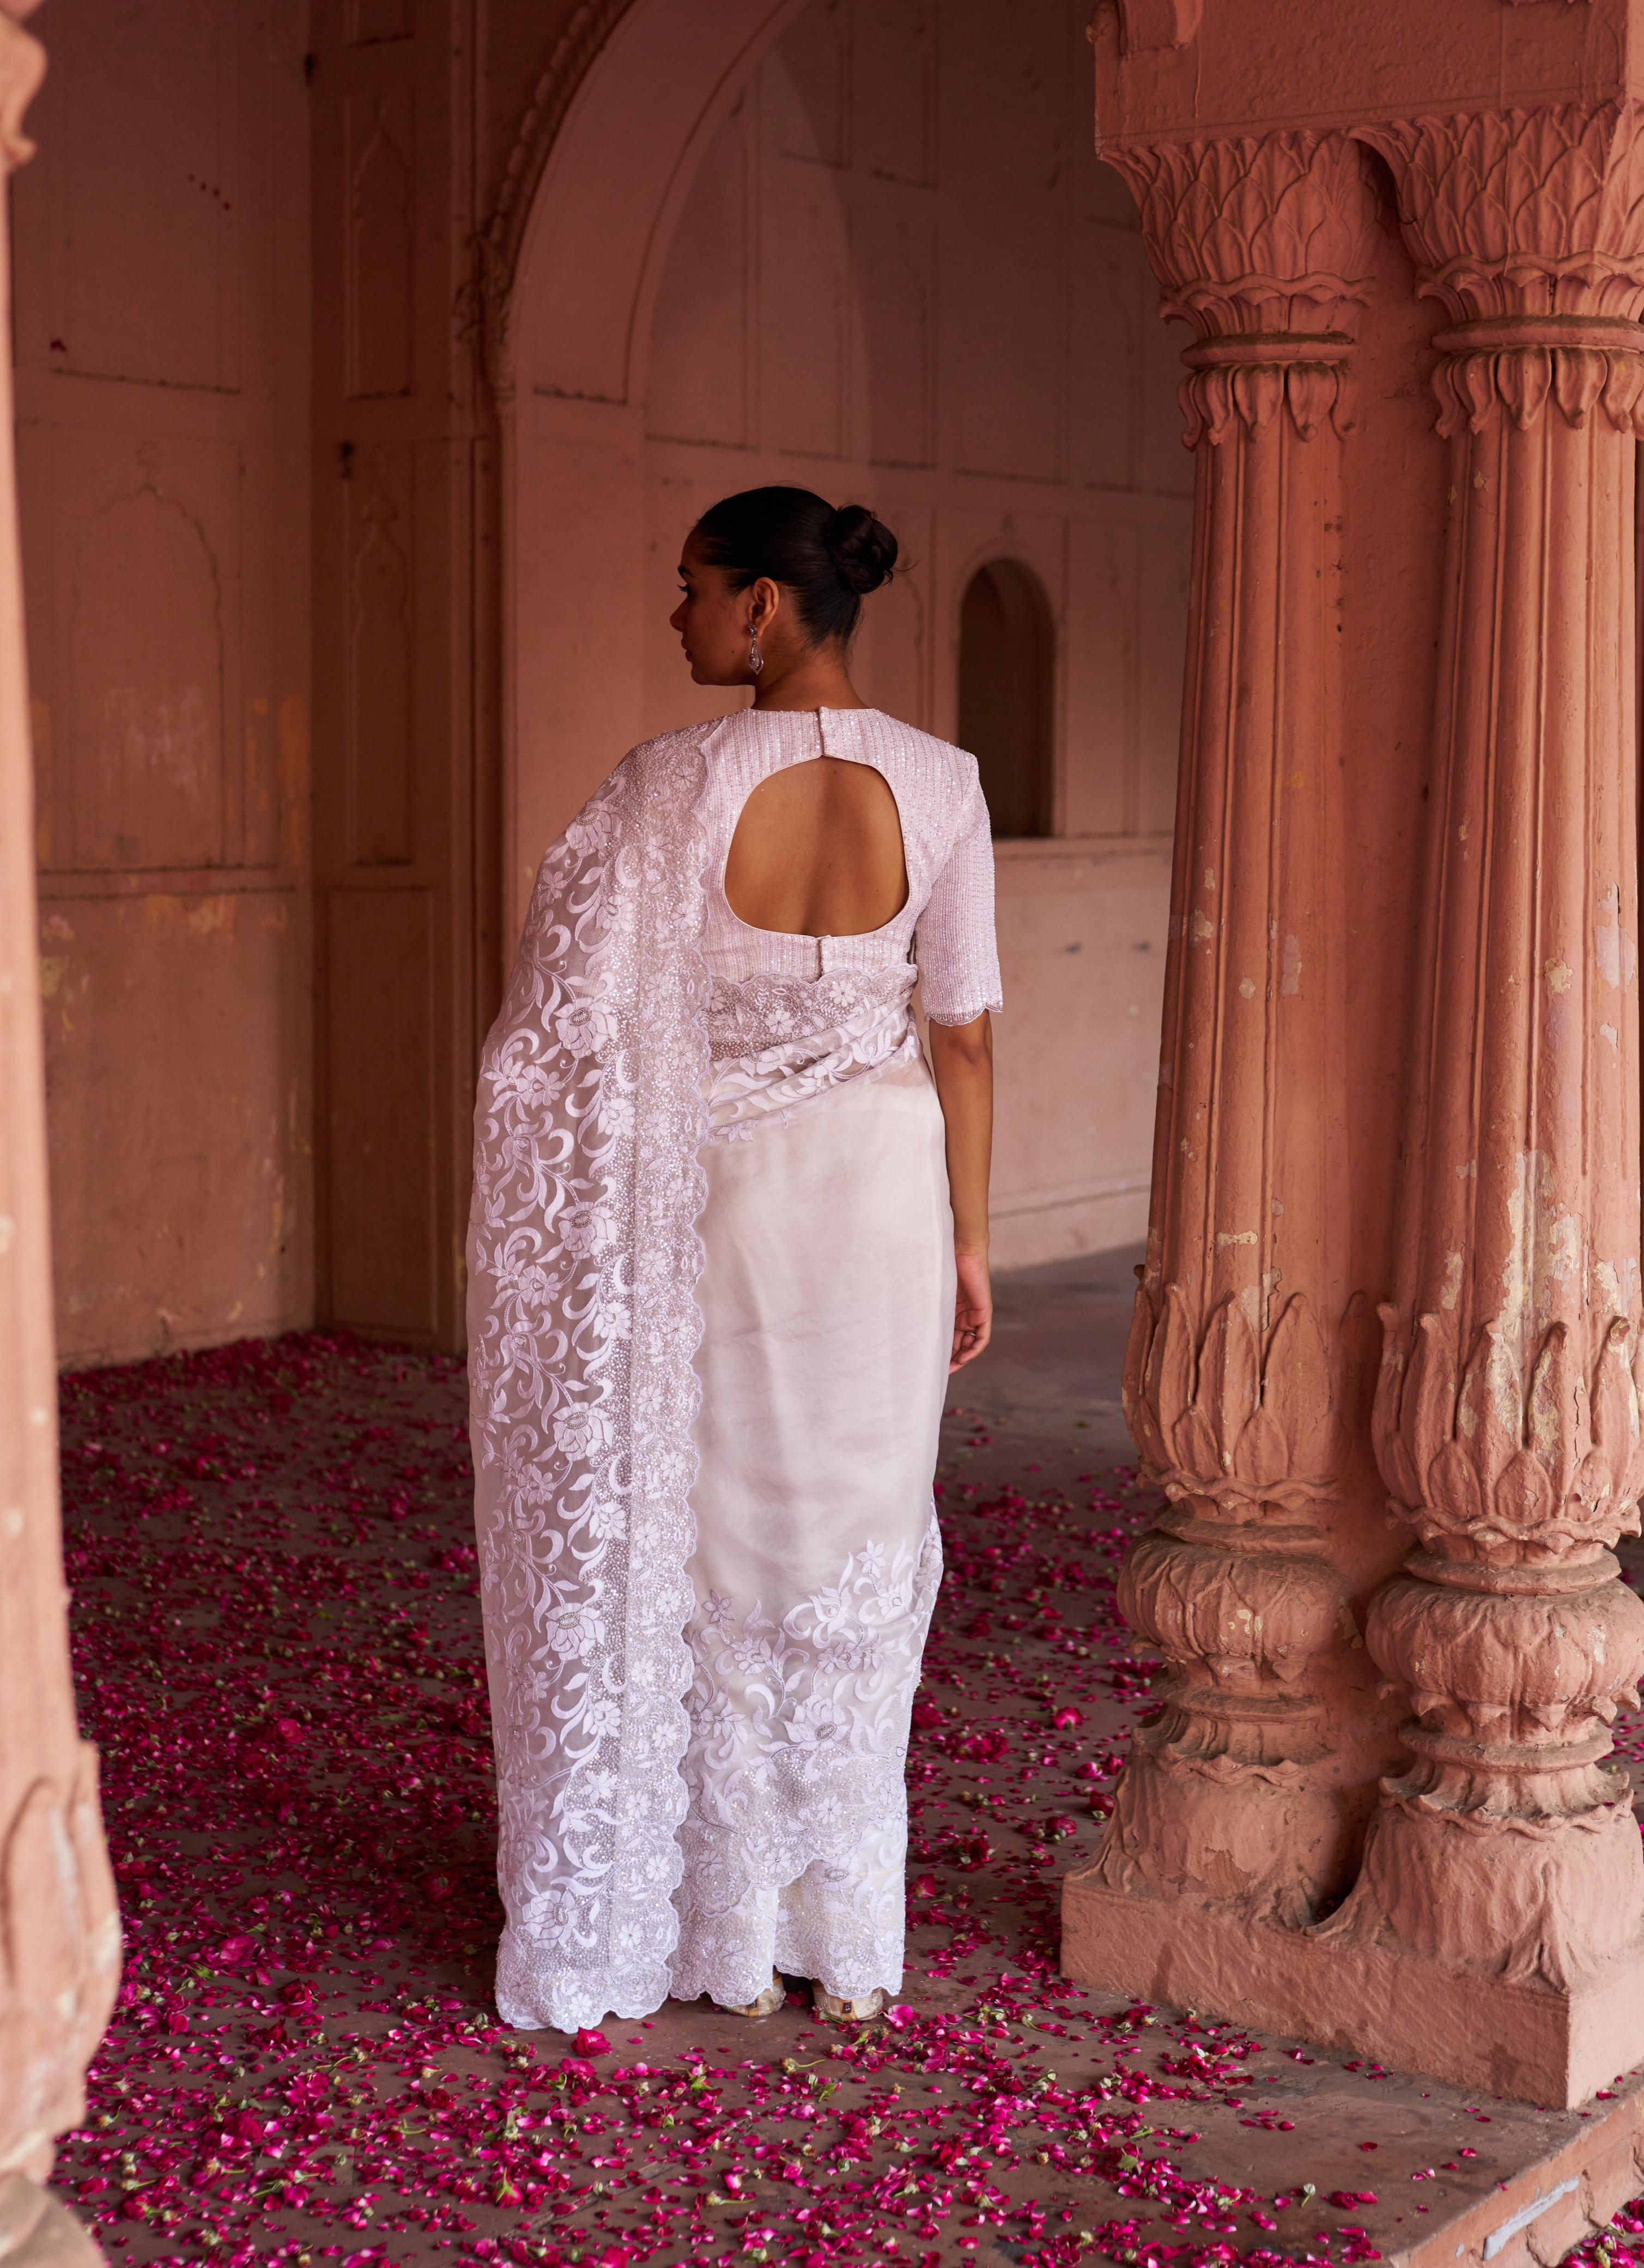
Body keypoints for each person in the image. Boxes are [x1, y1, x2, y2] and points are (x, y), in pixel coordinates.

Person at [468, 484, 1002, 2035]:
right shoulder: (946, 781)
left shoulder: (670, 785)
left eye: (694, 587)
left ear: (764, 605)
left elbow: (562, 1036)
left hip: (736, 1206)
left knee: (724, 1545)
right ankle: (844, 1936)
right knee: (862, 1544)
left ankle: (729, 1923)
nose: (680, 615)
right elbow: (962, 1033)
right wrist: (972, 1239)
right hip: (889, 1201)